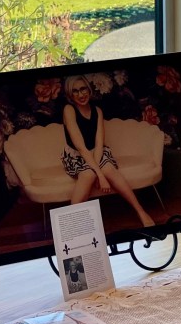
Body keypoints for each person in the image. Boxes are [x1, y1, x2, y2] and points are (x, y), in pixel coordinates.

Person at [61, 75, 155, 227]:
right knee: (88, 174)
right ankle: (74, 227)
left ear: (89, 89)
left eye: (83, 89)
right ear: (70, 95)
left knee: (109, 170)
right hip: (77, 155)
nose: (81, 94)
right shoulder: (69, 110)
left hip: (96, 152)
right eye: (75, 91)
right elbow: (80, 147)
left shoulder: (97, 111)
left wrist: (102, 172)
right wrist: (99, 174)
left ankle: (141, 211)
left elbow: (99, 143)